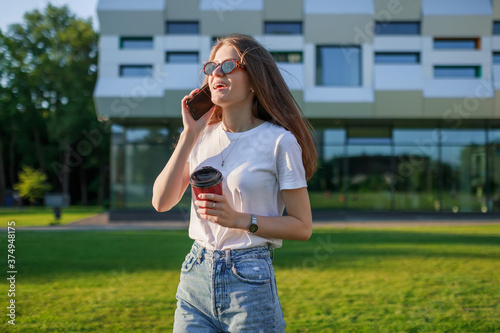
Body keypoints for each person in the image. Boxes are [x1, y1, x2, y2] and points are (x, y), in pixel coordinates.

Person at [152, 33, 317, 332]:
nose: (216, 73)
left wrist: (240, 219)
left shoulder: (280, 141)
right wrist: (189, 133)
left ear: (254, 78)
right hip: (195, 275)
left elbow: (302, 226)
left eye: (228, 65)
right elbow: (161, 202)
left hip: (249, 280)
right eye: (211, 66)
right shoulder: (200, 136)